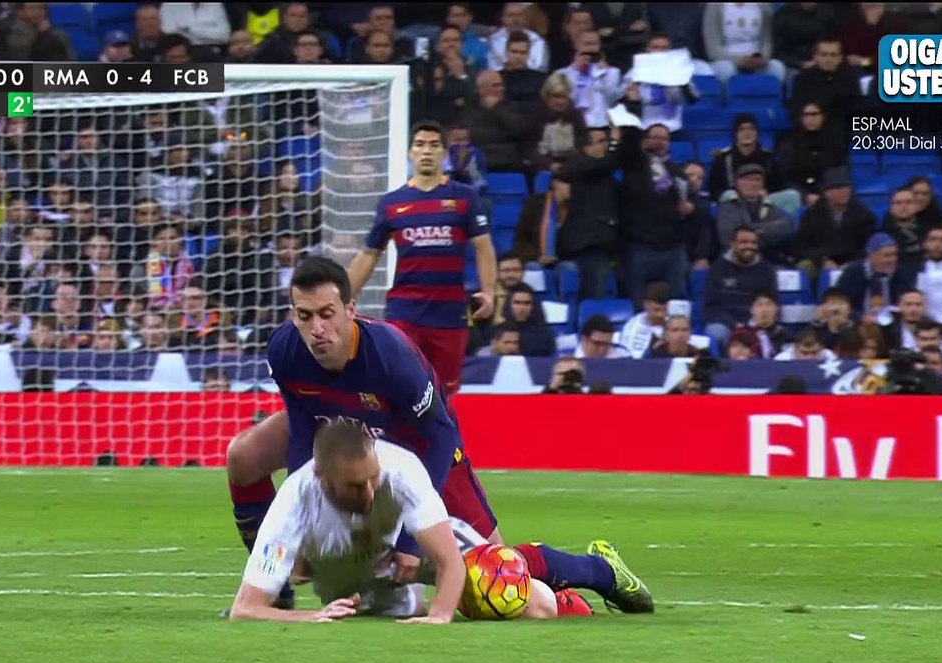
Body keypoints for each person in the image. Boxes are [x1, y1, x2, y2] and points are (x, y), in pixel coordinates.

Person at [227, 256, 653, 614]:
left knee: (493, 571)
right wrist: (309, 518)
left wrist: (412, 539)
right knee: (244, 455)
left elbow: (439, 436)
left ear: (350, 310)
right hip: (348, 441)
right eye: (304, 316)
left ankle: (598, 572)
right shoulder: (285, 350)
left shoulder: (391, 357)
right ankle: (276, 589)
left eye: (326, 314)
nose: (317, 329)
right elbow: (303, 426)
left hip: (423, 447)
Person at [229, 422, 593, 622]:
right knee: (400, 611)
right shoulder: (294, 499)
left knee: (523, 599)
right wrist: (311, 617)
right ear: (321, 476)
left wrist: (440, 616)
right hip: (361, 575)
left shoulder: (401, 469)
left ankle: (585, 586)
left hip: (418, 544)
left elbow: (450, 561)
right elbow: (245, 608)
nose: (370, 493)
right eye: (356, 486)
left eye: (374, 479)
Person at [346, 120, 497, 396]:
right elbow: (369, 254)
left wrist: (489, 291)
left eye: (434, 145)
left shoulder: (465, 198)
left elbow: (484, 247)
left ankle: (438, 440)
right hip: (405, 312)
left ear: (444, 153)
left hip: (449, 315)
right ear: (410, 153)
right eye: (420, 145)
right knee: (397, 386)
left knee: (442, 395)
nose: (426, 150)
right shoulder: (392, 203)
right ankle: (391, 439)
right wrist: (343, 299)